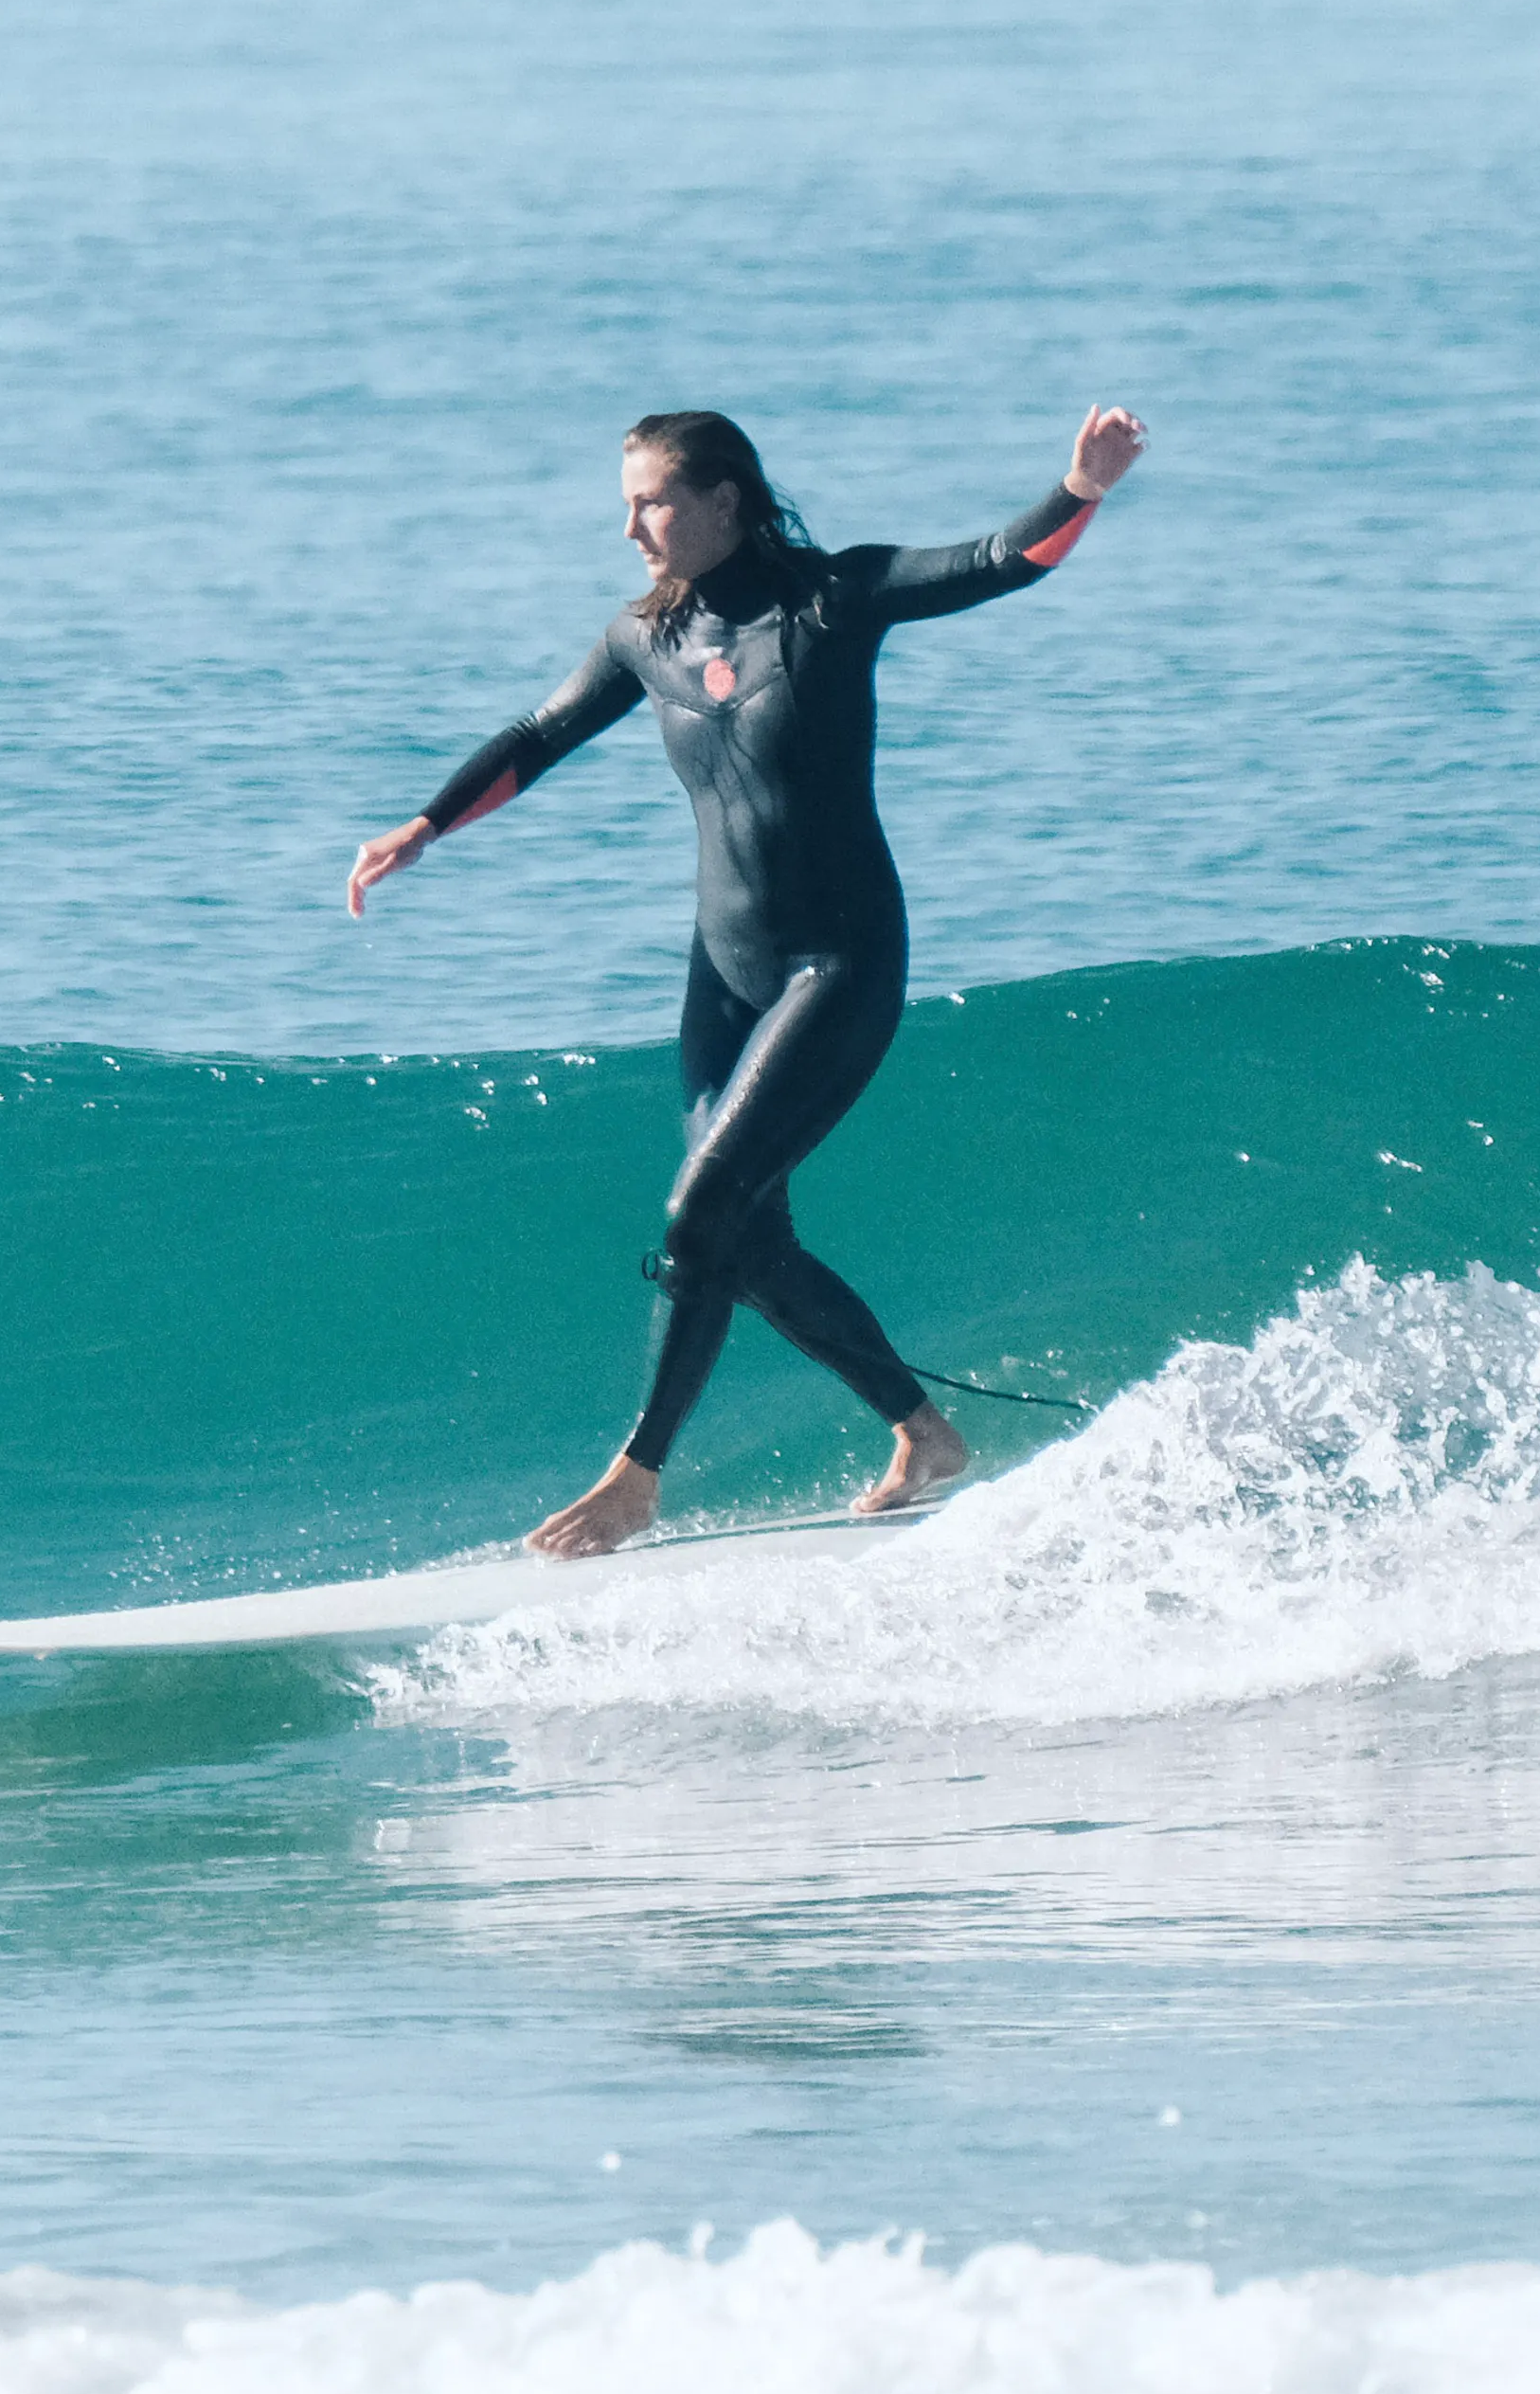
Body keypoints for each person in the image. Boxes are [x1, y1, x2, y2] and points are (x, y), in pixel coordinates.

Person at [347, 403, 1146, 1555]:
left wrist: (1080, 491)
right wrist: (425, 825)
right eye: (627, 505)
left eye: (652, 503)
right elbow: (540, 733)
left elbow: (995, 562)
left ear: (725, 501)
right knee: (743, 1237)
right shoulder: (646, 639)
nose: (631, 528)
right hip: (724, 976)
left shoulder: (835, 600)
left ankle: (636, 1477)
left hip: (839, 961)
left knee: (700, 1215)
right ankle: (924, 1433)